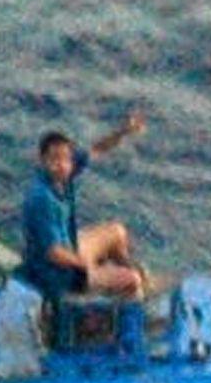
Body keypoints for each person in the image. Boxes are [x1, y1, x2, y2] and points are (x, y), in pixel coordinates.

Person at [18, 112, 151, 298]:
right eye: (54, 159)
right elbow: (54, 253)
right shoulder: (41, 198)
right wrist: (88, 266)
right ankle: (114, 310)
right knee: (132, 280)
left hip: (69, 250)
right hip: (55, 274)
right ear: (42, 161)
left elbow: (97, 149)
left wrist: (124, 131)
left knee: (116, 233)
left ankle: (121, 283)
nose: (61, 164)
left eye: (66, 158)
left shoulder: (64, 176)